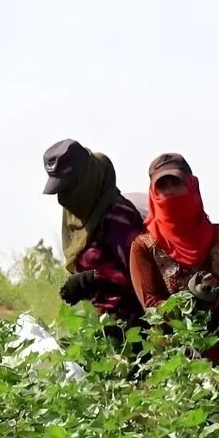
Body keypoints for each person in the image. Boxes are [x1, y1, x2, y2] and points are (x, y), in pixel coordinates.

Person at [129, 153, 219, 364]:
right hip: (178, 365)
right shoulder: (143, 248)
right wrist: (191, 299)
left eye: (176, 183)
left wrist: (215, 299)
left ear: (192, 185)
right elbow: (152, 306)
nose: (169, 193)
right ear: (152, 194)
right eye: (162, 186)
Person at [41, 139, 147, 343]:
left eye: (68, 188)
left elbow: (137, 276)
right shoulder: (81, 215)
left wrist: (89, 280)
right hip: (96, 324)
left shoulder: (120, 218)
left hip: (127, 329)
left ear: (85, 181)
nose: (63, 197)